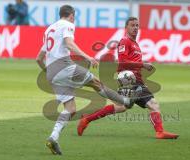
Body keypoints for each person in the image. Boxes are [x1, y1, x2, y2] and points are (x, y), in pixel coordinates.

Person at [36, 5, 134, 155]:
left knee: (70, 109)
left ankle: (53, 137)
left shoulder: (49, 29)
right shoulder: (68, 24)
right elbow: (69, 43)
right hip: (64, 66)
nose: (74, 19)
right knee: (96, 83)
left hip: (52, 73)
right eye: (74, 16)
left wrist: (49, 72)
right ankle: (126, 101)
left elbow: (39, 58)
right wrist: (87, 57)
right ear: (71, 15)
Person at [77, 17, 179, 139]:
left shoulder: (135, 44)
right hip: (130, 81)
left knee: (123, 106)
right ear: (126, 28)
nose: (135, 28)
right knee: (151, 104)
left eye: (137, 25)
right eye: (132, 25)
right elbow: (123, 62)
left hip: (137, 80)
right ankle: (159, 132)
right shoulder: (125, 41)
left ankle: (87, 119)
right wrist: (143, 64)